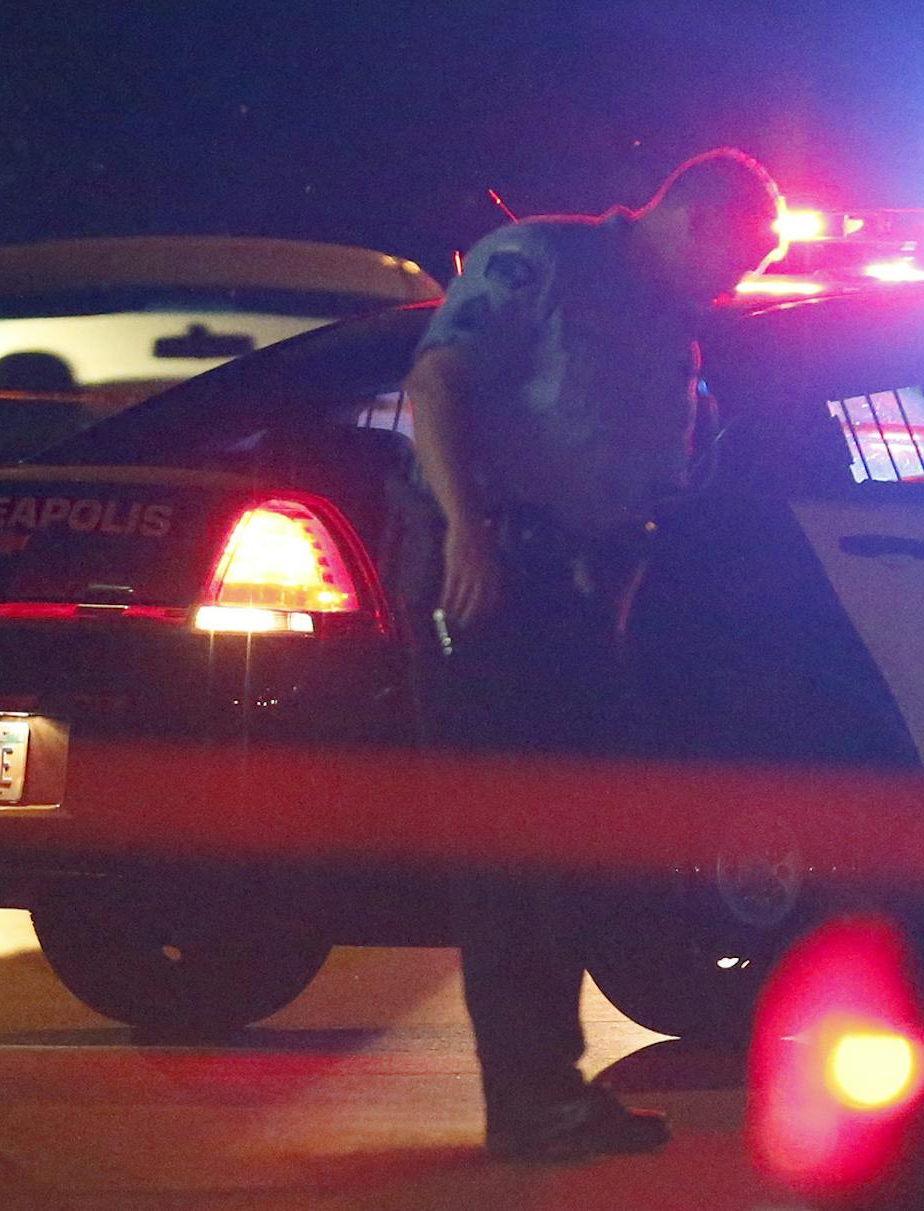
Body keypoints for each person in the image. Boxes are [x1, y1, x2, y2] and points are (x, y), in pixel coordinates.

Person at [400, 148, 780, 1161]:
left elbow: (645, 483)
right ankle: (530, 1102)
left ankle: (549, 1090)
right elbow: (437, 381)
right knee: (510, 849)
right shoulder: (542, 261)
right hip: (492, 575)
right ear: (696, 219)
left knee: (569, 841)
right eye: (739, 258)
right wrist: (465, 532)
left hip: (572, 592)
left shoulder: (671, 321)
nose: (735, 283)